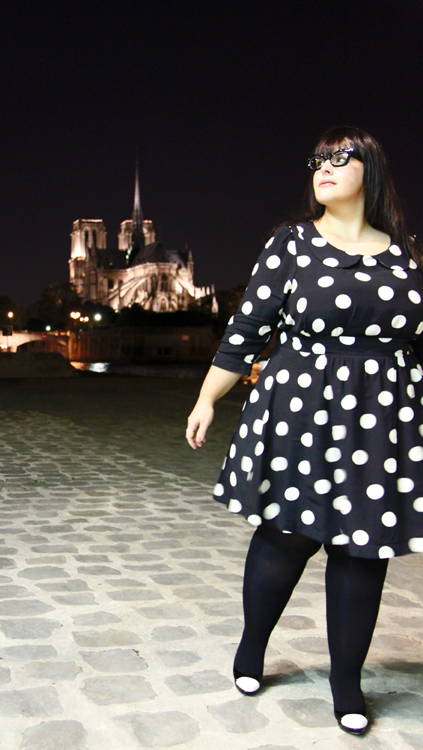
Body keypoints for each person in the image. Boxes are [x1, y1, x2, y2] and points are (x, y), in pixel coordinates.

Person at [186, 126, 423, 736]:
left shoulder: (406, 255)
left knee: (363, 553)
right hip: (299, 409)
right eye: (317, 159)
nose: (324, 167)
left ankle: (348, 682)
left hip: (381, 420)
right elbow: (248, 327)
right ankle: (252, 646)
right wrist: (208, 398)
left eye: (340, 159)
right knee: (286, 538)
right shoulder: (291, 245)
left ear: (371, 172)